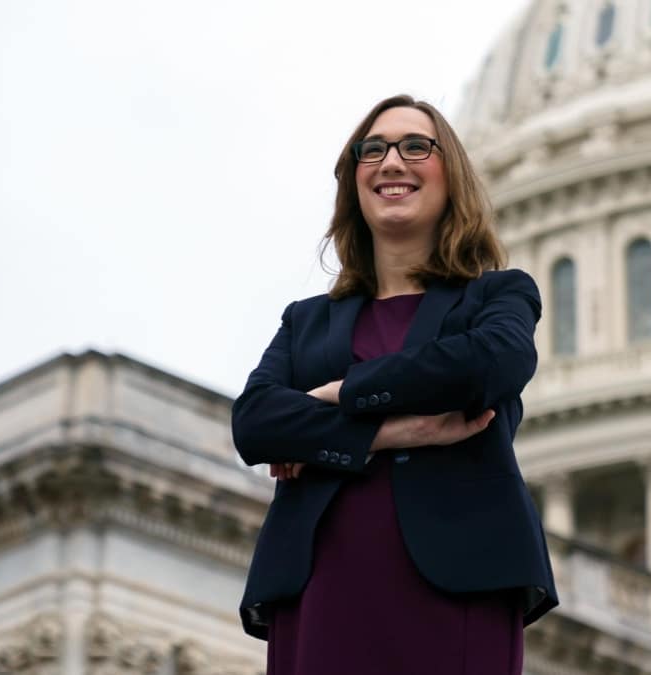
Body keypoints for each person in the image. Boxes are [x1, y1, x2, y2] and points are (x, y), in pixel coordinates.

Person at [231, 94, 558, 675]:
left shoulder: (498, 295)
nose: (392, 162)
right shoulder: (307, 319)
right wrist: (387, 433)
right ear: (354, 180)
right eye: (372, 150)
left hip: (459, 584)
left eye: (415, 147)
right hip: (322, 583)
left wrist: (342, 393)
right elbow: (255, 422)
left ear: (449, 174)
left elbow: (491, 364)